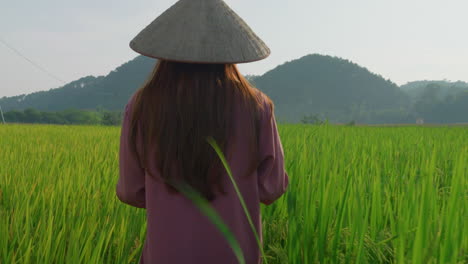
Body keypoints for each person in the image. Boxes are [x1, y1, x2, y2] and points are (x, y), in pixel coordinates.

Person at [116, 0, 289, 263]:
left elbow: (131, 191)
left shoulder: (142, 106)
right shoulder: (257, 106)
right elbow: (271, 188)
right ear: (228, 49)